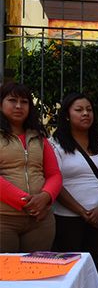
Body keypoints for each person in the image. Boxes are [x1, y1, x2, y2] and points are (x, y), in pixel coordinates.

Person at [50, 93, 98, 269]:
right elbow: (53, 181)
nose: (85, 113)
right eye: (79, 110)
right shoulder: (54, 144)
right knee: (68, 269)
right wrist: (81, 212)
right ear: (66, 115)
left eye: (89, 110)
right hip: (67, 218)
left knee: (91, 267)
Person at [0, 82, 62, 252]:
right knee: (6, 276)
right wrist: (28, 203)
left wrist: (46, 197)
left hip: (40, 220)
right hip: (4, 220)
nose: (19, 106)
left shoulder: (38, 137)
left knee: (38, 274)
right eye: (12, 100)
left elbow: (54, 174)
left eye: (24, 101)